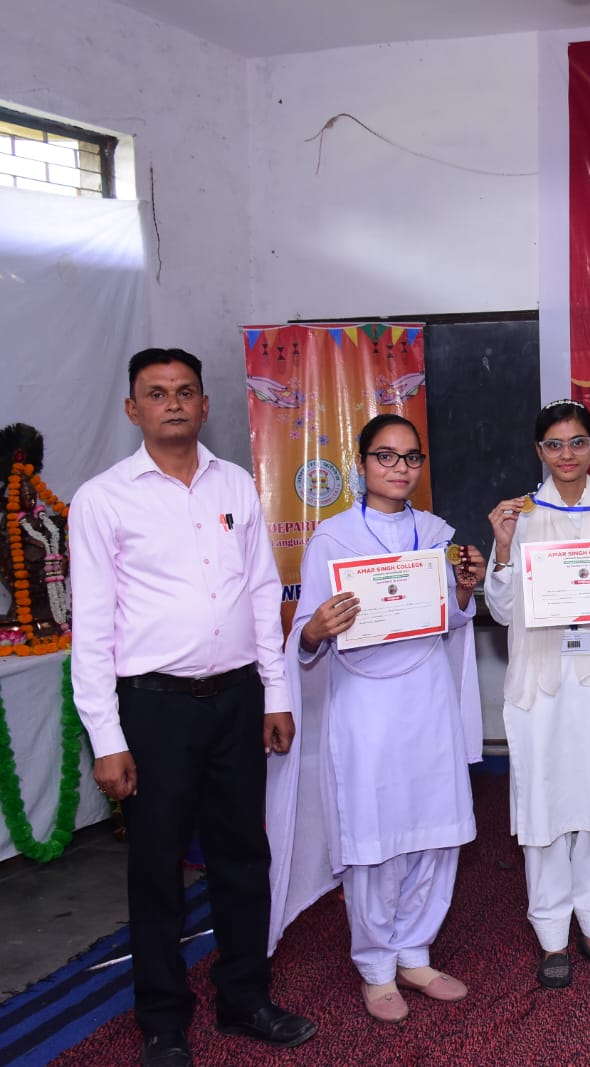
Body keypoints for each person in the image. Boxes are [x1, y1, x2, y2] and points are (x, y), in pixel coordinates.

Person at [70, 349, 317, 1066]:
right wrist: (107, 738)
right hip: (154, 710)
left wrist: (275, 693)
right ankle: (162, 1018)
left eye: (185, 391)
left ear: (206, 405)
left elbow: (262, 594)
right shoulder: (103, 500)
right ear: (133, 409)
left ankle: (245, 997)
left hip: (238, 700)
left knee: (243, 856)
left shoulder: (234, 482)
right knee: (157, 866)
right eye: (157, 393)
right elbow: (93, 627)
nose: (173, 403)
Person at [284, 414, 484, 1022]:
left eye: (411, 457)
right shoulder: (332, 540)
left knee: (433, 826)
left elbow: (451, 619)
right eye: (386, 456)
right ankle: (375, 964)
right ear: (362, 464)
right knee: (374, 834)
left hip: (427, 693)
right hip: (364, 703)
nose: (400, 468)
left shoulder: (437, 535)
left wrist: (466, 589)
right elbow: (306, 633)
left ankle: (415, 951)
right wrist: (315, 629)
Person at [484, 399, 590, 989]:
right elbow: (502, 610)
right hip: (542, 683)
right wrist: (502, 549)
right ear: (539, 451)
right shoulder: (519, 517)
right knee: (546, 804)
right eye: (554, 445)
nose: (567, 454)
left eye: (578, 442)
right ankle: (553, 933)